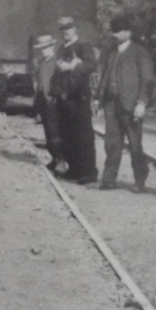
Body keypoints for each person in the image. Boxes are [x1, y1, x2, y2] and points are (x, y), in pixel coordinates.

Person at [95, 16, 154, 192]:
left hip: (131, 104)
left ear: (128, 32)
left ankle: (139, 180)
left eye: (118, 31)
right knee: (112, 143)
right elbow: (104, 76)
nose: (114, 34)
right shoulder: (111, 52)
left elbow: (148, 80)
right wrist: (98, 98)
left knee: (135, 144)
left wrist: (142, 103)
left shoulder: (140, 52)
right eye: (113, 31)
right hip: (111, 104)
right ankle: (108, 179)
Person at [54, 16, 98, 184]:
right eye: (63, 29)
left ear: (75, 29)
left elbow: (91, 65)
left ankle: (88, 172)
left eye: (69, 28)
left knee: (83, 135)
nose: (66, 32)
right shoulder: (60, 49)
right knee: (68, 134)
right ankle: (74, 169)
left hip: (79, 96)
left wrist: (73, 66)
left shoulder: (83, 46)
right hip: (64, 97)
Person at [31, 33, 65, 173]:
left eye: (46, 47)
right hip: (43, 102)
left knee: (56, 133)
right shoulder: (41, 62)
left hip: (54, 103)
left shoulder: (57, 62)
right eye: (41, 48)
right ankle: (54, 158)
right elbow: (38, 79)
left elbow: (62, 82)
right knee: (48, 133)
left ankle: (62, 161)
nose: (43, 50)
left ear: (52, 46)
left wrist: (56, 96)